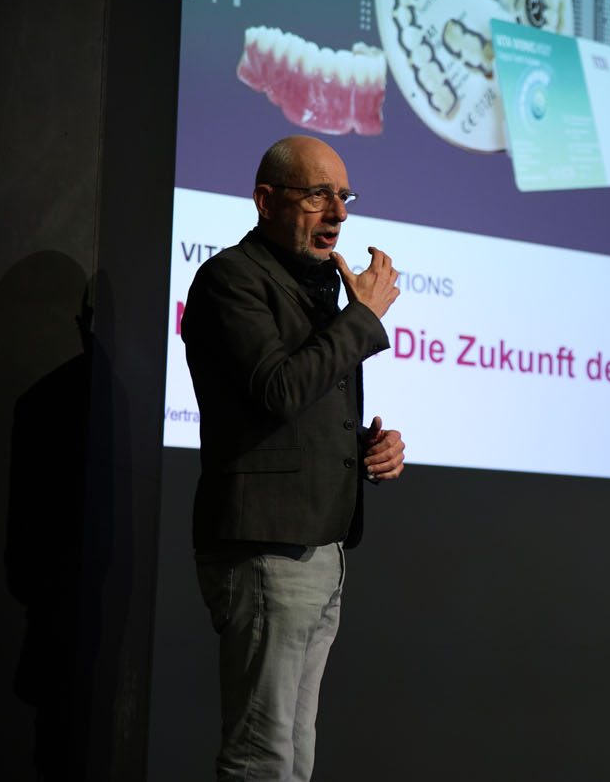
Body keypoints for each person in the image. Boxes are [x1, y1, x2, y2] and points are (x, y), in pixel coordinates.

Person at [180, 134, 405, 779]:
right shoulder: (230, 279)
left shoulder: (318, 288)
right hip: (265, 547)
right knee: (263, 756)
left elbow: (297, 413)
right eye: (318, 196)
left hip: (319, 545)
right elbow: (276, 390)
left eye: (344, 196)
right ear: (265, 200)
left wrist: (366, 448)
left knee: (294, 755)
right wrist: (363, 317)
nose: (337, 214)